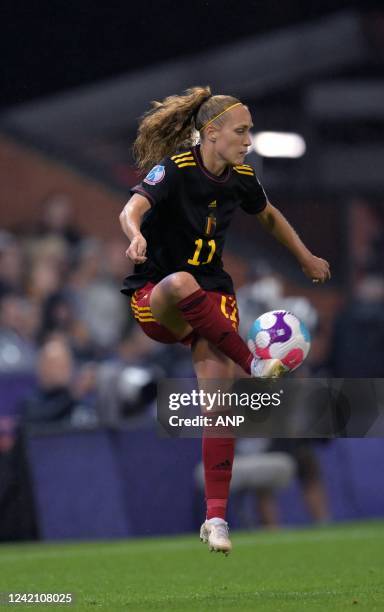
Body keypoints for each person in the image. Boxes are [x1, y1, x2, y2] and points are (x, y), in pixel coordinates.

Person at [119, 86, 330, 554]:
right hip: (159, 299)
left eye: (250, 130)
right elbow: (131, 208)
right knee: (180, 283)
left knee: (218, 410)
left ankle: (215, 520)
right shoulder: (175, 170)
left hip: (213, 301)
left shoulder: (240, 178)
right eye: (242, 130)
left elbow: (270, 217)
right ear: (211, 133)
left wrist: (305, 256)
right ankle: (255, 364)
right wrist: (135, 236)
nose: (249, 139)